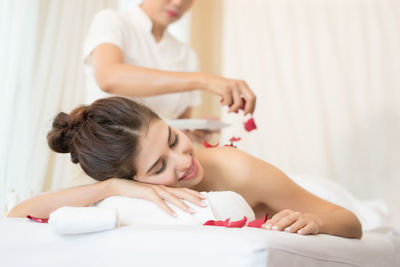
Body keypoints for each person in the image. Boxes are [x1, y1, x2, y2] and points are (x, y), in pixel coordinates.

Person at [8, 97, 362, 238]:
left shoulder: (235, 169)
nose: (183, 162)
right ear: (128, 178)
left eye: (174, 139)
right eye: (159, 165)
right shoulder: (120, 191)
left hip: (302, 193)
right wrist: (112, 189)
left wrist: (316, 220)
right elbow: (17, 215)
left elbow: (349, 221)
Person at [83, 0, 256, 142]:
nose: (179, 3)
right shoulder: (112, 21)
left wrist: (191, 132)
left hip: (159, 163)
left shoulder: (186, 54)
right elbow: (109, 78)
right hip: (108, 153)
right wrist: (204, 80)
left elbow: (178, 125)